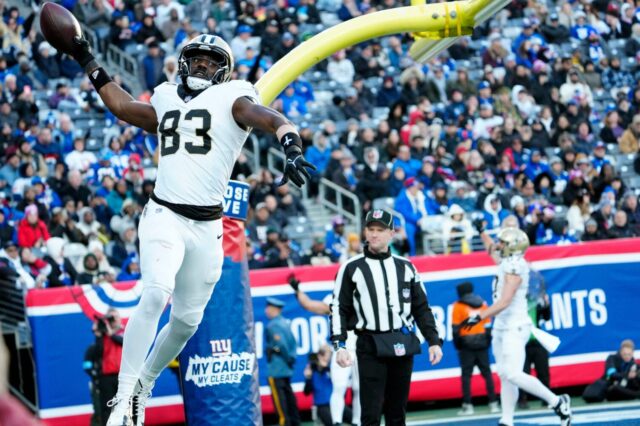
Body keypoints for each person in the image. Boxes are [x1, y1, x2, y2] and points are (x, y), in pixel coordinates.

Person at [68, 32, 315, 426]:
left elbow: (269, 118)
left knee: (186, 322)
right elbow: (123, 106)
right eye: (196, 57)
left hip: (207, 226)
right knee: (154, 295)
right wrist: (86, 58)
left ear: (225, 69)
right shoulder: (165, 96)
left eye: (212, 60)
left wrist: (290, 143)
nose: (202, 64)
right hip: (164, 214)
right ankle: (124, 396)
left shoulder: (234, 96)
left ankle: (145, 382)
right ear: (184, 61)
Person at [331, 208, 443, 426]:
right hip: (370, 344)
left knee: (397, 412)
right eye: (370, 229)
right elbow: (338, 308)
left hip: (402, 341)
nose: (374, 234)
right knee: (370, 413)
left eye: (380, 230)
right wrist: (340, 344)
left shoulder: (406, 266)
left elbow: (421, 307)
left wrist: (433, 341)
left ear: (392, 233)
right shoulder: (351, 268)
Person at [462, 228, 572, 426]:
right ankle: (507, 420)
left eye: (503, 243)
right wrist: (482, 232)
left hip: (515, 326)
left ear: (512, 246)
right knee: (505, 375)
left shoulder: (516, 266)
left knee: (513, 373)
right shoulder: (508, 260)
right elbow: (491, 250)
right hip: (501, 326)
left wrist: (479, 316)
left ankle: (557, 401)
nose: (499, 245)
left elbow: (504, 301)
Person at [288, 275, 359, 425]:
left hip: (362, 349)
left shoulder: (363, 298)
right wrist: (297, 290)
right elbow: (309, 305)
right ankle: (337, 422)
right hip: (342, 348)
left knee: (359, 388)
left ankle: (357, 421)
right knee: (339, 386)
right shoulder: (334, 301)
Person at [451, 282, 499, 415]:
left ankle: (468, 405)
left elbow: (455, 330)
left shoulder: (458, 306)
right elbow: (489, 327)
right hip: (482, 344)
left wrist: (458, 346)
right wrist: (486, 342)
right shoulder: (483, 304)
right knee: (487, 373)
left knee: (466, 376)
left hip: (466, 345)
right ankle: (493, 403)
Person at [518, 268, 552, 409]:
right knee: (522, 373)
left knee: (543, 371)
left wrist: (546, 304)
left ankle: (546, 399)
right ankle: (522, 400)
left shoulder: (536, 302)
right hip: (522, 342)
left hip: (537, 340)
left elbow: (547, 317)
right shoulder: (517, 304)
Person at [265, 297, 300, 426]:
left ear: (274, 309)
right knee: (290, 400)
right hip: (285, 368)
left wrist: (288, 358)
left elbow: (282, 345)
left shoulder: (273, 325)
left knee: (280, 405)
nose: (266, 311)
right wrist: (291, 360)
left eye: (268, 308)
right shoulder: (285, 323)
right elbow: (293, 344)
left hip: (277, 368)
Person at [91, 309, 125, 426]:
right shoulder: (104, 334)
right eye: (110, 318)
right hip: (106, 377)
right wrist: (98, 335)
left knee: (127, 407)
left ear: (119, 318)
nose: (113, 320)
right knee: (107, 408)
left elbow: (123, 342)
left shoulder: (124, 330)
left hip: (124, 376)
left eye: (115, 317)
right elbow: (98, 353)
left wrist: (111, 333)